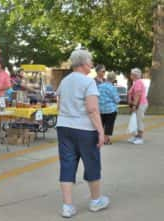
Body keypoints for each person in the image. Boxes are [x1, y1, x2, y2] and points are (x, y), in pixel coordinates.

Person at [56, 49, 109, 218]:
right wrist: (101, 131)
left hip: (64, 127)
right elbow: (93, 109)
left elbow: (59, 105)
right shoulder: (88, 83)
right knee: (91, 162)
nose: (92, 64)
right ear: (84, 63)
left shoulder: (64, 81)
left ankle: (67, 206)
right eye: (91, 61)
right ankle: (95, 201)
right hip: (85, 129)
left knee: (67, 163)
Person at [98, 72, 120, 145]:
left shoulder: (100, 86)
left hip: (100, 109)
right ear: (113, 79)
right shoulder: (112, 87)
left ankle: (100, 138)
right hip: (110, 109)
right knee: (109, 125)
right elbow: (117, 100)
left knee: (101, 124)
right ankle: (106, 139)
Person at [127, 68, 148, 144]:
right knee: (136, 120)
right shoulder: (135, 82)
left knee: (139, 120)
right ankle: (136, 137)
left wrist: (134, 105)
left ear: (135, 75)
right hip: (138, 104)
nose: (130, 75)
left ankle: (140, 137)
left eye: (131, 74)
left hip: (140, 104)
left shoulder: (138, 82)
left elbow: (138, 95)